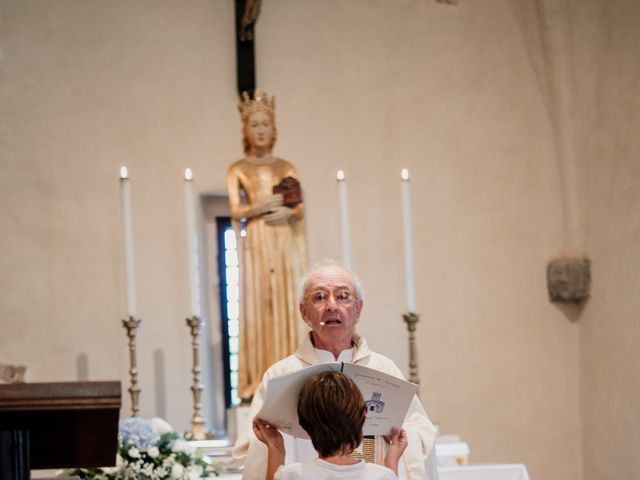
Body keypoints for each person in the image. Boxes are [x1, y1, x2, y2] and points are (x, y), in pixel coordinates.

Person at [233, 262, 438, 480]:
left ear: (357, 308)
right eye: (320, 297)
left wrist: (398, 438)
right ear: (304, 312)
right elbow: (256, 440)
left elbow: (418, 431)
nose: (332, 306)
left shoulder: (384, 369)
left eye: (342, 296)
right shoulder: (280, 375)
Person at [227, 89, 308, 401]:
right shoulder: (238, 169)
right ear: (245, 131)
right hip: (259, 241)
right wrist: (259, 206)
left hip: (283, 239)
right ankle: (258, 380)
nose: (260, 130)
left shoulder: (286, 166)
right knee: (261, 302)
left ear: (274, 129)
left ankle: (293, 377)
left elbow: (298, 208)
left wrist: (288, 211)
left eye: (265, 124)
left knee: (287, 300)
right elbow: (236, 210)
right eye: (255, 124)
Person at [253, 370, 408, 479]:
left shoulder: (292, 475)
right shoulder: (381, 476)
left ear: (304, 424)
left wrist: (276, 447)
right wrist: (391, 459)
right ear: (363, 415)